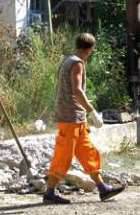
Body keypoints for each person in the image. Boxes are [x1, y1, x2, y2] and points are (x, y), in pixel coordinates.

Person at [43, 33, 125, 204]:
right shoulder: (77, 63)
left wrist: (84, 114)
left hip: (75, 117)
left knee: (88, 151)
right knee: (63, 156)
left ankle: (103, 188)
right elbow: (77, 91)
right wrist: (92, 111)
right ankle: (49, 192)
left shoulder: (68, 60)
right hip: (70, 117)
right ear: (90, 50)